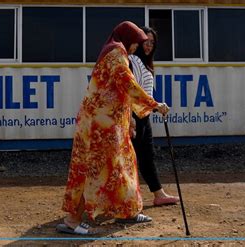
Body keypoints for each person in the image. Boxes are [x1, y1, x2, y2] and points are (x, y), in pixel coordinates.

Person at [60, 21, 170, 235]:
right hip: (100, 127)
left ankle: (125, 211)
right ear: (127, 39)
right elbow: (128, 86)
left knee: (119, 165)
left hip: (106, 125)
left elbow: (120, 93)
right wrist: (154, 105)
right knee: (94, 169)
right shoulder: (116, 55)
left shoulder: (114, 53)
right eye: (135, 43)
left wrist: (128, 121)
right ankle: (73, 220)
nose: (136, 48)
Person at [129, 27, 179, 206]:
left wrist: (156, 106)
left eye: (152, 42)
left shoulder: (146, 64)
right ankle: (128, 200)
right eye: (146, 41)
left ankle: (159, 194)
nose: (148, 45)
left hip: (144, 116)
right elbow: (131, 92)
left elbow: (145, 94)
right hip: (133, 117)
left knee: (147, 157)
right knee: (130, 160)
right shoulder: (132, 61)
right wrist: (131, 118)